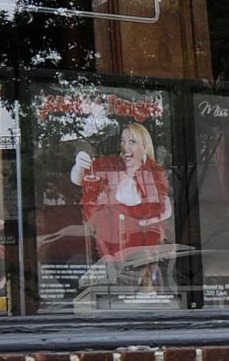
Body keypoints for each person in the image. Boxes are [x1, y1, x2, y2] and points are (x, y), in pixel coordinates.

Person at [71, 120, 173, 283]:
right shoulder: (111, 172)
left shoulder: (152, 178)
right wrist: (80, 165)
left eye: (132, 141)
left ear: (144, 147)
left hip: (141, 257)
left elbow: (165, 209)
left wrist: (146, 222)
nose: (125, 146)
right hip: (112, 255)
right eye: (123, 141)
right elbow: (80, 179)